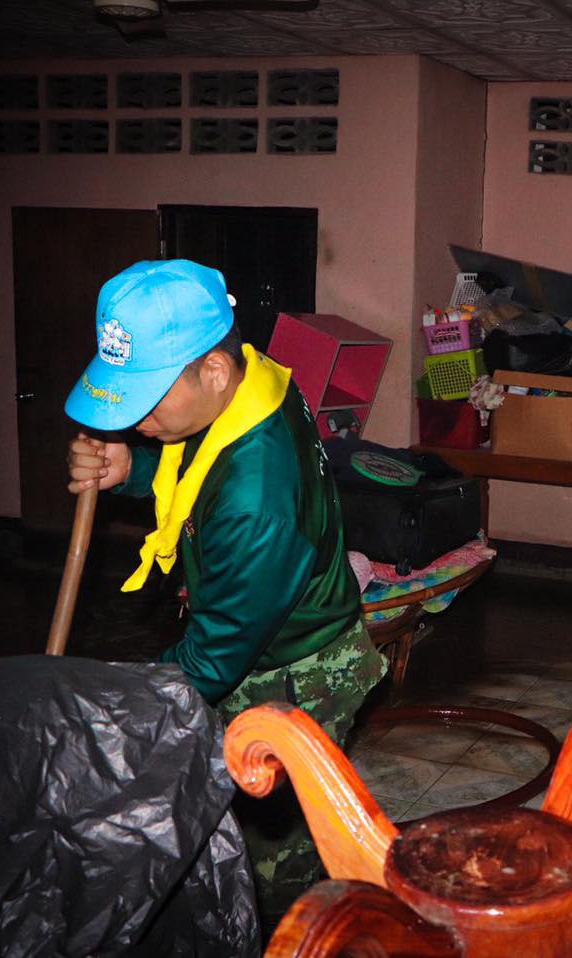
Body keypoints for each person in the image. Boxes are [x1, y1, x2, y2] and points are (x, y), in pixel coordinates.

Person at [64, 259, 387, 930]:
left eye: (147, 396)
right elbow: (200, 468)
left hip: (297, 677)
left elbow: (214, 657)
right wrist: (133, 468)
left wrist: (119, 707)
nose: (132, 417)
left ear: (212, 370)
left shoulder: (256, 498)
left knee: (273, 859)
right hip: (259, 639)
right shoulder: (250, 380)